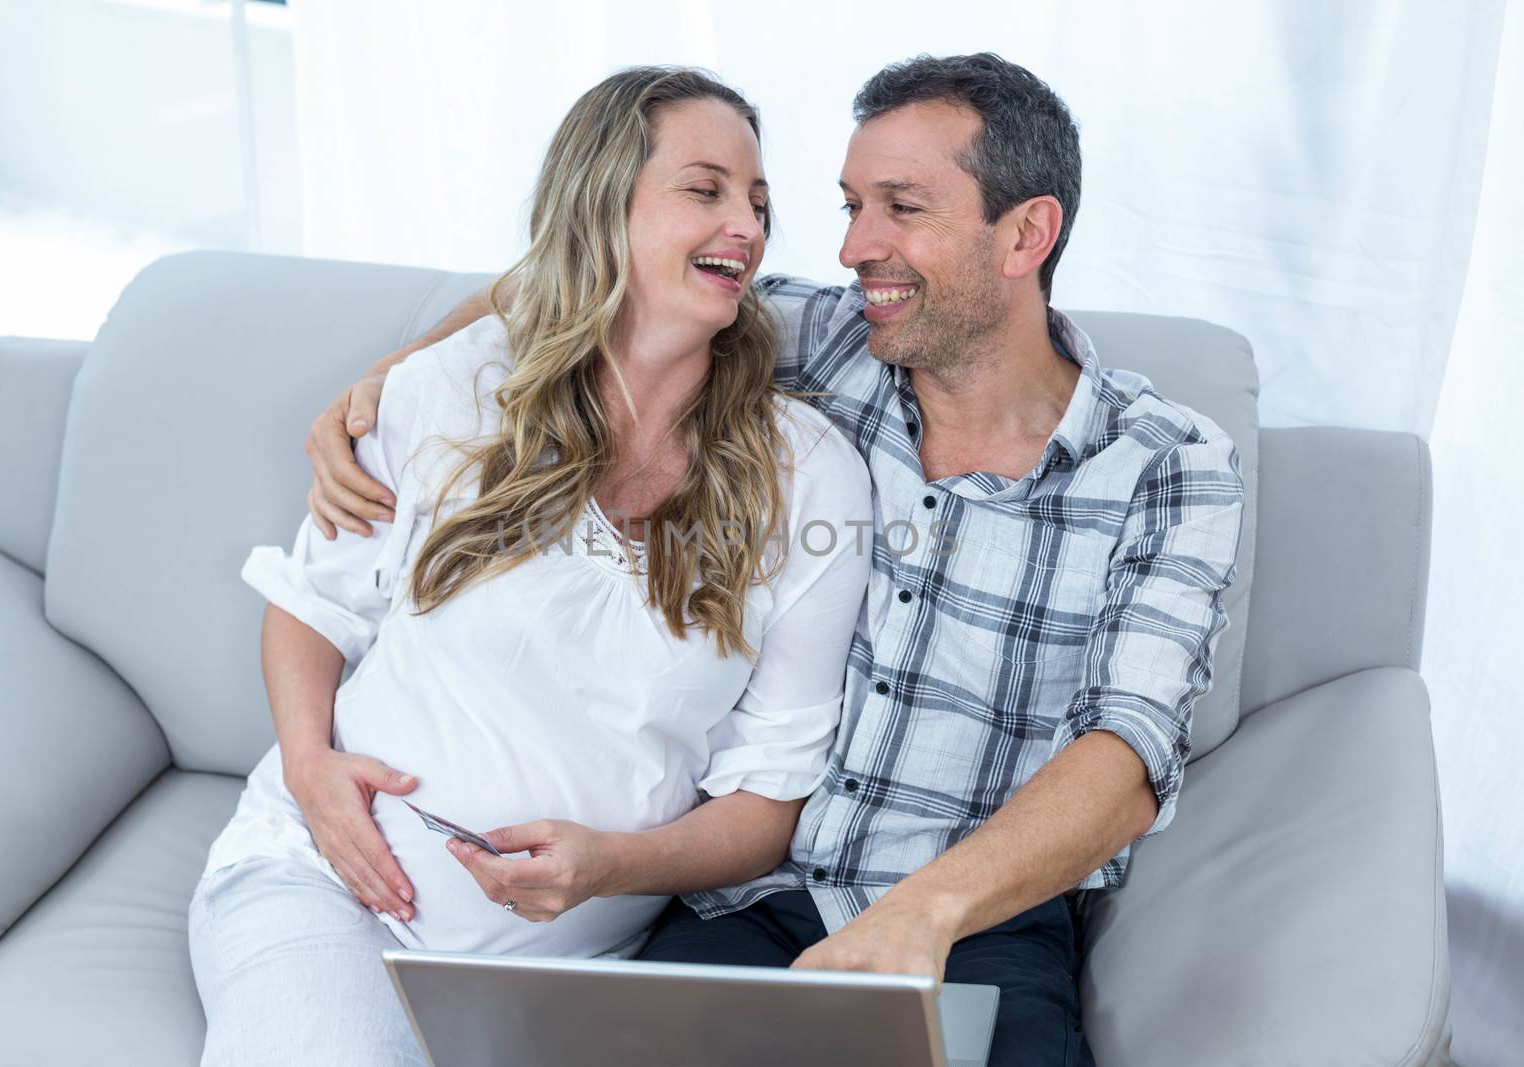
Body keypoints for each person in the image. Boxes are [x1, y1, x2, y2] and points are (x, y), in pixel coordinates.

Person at [308, 53, 1244, 1067]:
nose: (855, 249)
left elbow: (1129, 752)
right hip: (744, 902)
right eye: (848, 205)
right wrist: (380, 385)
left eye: (900, 207)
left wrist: (921, 914)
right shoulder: (822, 339)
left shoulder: (1166, 462)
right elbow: (582, 276)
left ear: (1025, 233)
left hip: (979, 915)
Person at [188, 66, 874, 1066]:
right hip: (326, 888)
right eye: (706, 188)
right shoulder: (458, 383)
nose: (747, 226)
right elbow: (313, 602)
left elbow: (765, 805)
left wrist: (612, 866)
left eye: (759, 203)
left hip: (566, 966)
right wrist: (307, 763)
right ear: (603, 201)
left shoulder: (807, 473)